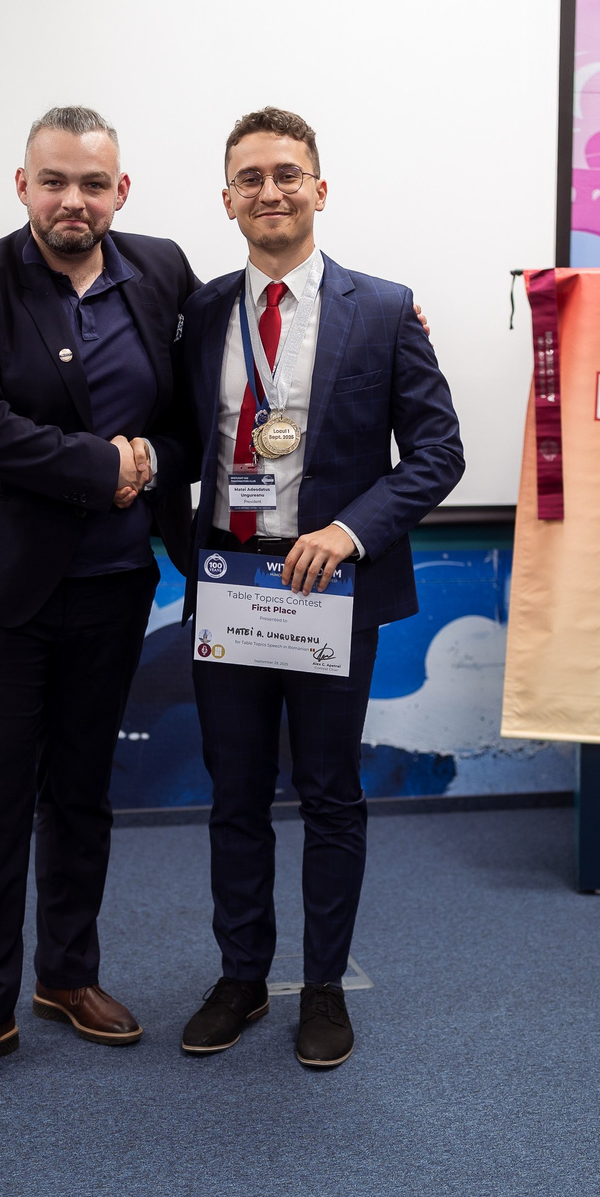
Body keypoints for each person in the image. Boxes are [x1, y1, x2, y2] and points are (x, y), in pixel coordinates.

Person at [150, 107, 464, 1069]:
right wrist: (182, 546)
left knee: (329, 795)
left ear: (319, 190)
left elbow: (438, 453)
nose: (270, 191)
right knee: (236, 795)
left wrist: (349, 530)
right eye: (250, 177)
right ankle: (242, 977)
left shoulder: (384, 309)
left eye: (287, 174)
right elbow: (174, 440)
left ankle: (322, 986)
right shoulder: (201, 313)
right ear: (227, 200)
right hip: (232, 586)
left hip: (331, 589)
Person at [0, 106, 191, 1095]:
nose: (75, 200)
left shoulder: (161, 271)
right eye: (56, 181)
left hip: (111, 581)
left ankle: (68, 975)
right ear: (22, 185)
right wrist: (107, 465)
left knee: (81, 789)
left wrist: (151, 457)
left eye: (94, 184)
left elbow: (202, 403)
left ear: (122, 191)